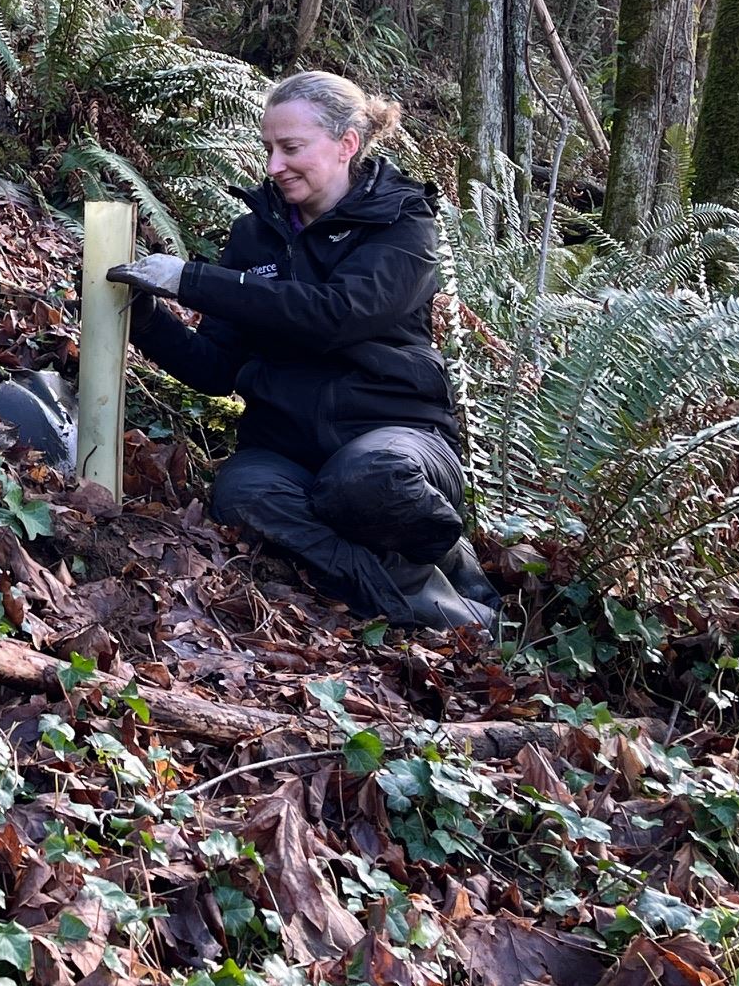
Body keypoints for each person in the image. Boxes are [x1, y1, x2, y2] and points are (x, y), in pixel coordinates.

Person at [106, 70, 498, 629]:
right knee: (242, 496)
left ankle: (453, 568)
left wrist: (193, 280)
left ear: (346, 145)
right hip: (284, 448)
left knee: (366, 480)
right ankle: (431, 611)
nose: (273, 166)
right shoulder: (254, 236)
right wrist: (143, 317)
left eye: (290, 148)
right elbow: (218, 367)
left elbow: (336, 315)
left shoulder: (402, 224)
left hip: (396, 438)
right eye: (268, 148)